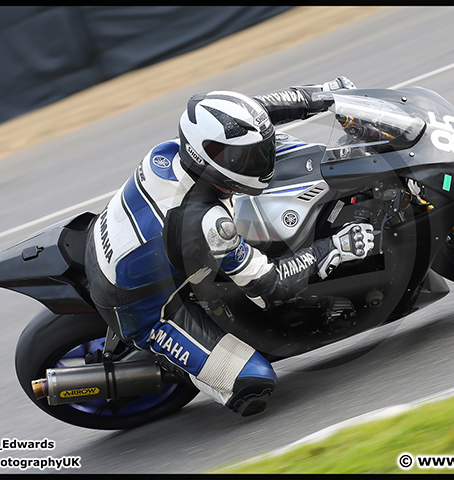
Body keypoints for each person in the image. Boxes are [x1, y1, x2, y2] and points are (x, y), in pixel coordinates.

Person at [84, 77, 375, 417]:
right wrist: (332, 248)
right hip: (135, 304)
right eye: (246, 158)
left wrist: (322, 95)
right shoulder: (208, 222)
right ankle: (174, 364)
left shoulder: (173, 151)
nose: (261, 160)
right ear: (211, 158)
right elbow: (270, 287)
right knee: (254, 383)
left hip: (116, 240)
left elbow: (259, 114)